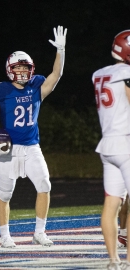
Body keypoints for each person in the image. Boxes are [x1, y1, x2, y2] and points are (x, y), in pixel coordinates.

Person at [0, 26, 67, 248]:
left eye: (25, 68)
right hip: (8, 149)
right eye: (18, 68)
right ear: (10, 69)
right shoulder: (0, 91)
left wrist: (61, 50)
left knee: (44, 186)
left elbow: (56, 75)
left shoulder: (35, 87)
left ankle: (39, 232)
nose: (22, 72)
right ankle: (4, 236)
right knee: (5, 194)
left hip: (31, 146)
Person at [92, 30, 130, 270]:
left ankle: (114, 260)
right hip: (126, 143)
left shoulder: (99, 74)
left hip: (108, 144)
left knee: (111, 203)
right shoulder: (126, 73)